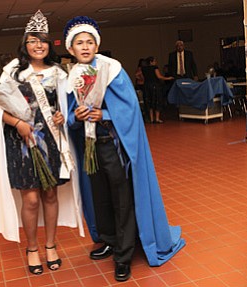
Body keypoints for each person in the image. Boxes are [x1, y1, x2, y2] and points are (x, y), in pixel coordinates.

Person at [63, 16, 185, 282]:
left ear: (97, 45)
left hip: (112, 145)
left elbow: (129, 109)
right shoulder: (71, 76)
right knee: (100, 197)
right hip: (88, 147)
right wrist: (78, 117)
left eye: (89, 42)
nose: (85, 47)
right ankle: (108, 239)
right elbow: (69, 117)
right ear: (70, 49)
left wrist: (102, 114)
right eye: (79, 43)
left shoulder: (112, 69)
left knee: (121, 198)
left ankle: (124, 255)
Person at [0, 10, 84, 276]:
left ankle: (51, 245)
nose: (38, 45)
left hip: (50, 141)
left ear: (49, 44)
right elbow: (0, 111)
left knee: (50, 194)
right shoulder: (12, 73)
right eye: (32, 40)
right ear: (25, 45)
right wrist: (18, 123)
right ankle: (32, 249)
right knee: (30, 200)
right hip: (21, 142)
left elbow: (64, 108)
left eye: (42, 39)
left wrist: (61, 116)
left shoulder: (59, 73)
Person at [142, 56, 174, 123]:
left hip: (146, 86)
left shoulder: (144, 68)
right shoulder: (155, 67)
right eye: (155, 61)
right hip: (155, 86)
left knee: (149, 102)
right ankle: (157, 118)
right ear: (151, 62)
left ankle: (151, 119)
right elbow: (159, 76)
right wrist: (169, 78)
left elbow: (140, 75)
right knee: (157, 101)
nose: (156, 62)